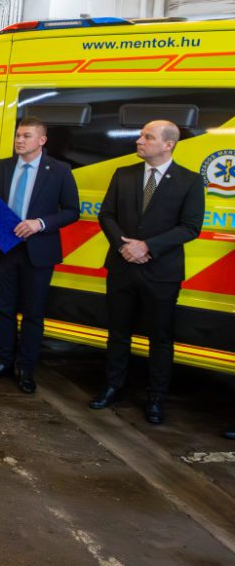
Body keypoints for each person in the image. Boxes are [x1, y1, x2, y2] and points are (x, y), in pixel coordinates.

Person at [90, 120, 204, 425]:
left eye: (147, 137)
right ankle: (113, 386)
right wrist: (124, 246)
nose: (139, 140)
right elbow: (107, 215)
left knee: (160, 338)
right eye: (141, 135)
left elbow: (190, 227)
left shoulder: (190, 181)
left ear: (168, 145)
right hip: (121, 266)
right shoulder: (124, 175)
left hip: (162, 272)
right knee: (118, 333)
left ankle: (156, 398)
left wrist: (147, 247)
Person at [0, 117, 79, 394]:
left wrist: (39, 224)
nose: (19, 140)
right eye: (18, 135)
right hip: (4, 249)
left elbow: (72, 210)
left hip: (38, 252)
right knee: (5, 311)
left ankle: (26, 370)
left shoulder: (59, 171)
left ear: (42, 140)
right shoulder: (0, 167)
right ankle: (4, 363)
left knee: (33, 314)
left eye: (27, 136)